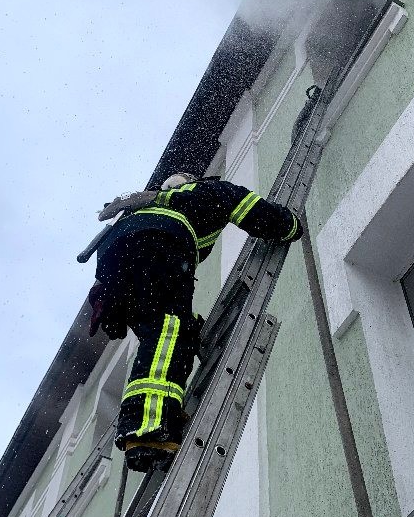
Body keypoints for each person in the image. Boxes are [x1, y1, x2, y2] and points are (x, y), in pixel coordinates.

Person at [87, 172, 303, 472]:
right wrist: (290, 226)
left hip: (115, 258)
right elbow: (252, 210)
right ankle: (148, 426)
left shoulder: (149, 203)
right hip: (159, 242)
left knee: (168, 333)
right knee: (168, 330)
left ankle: (161, 410)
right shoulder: (206, 193)